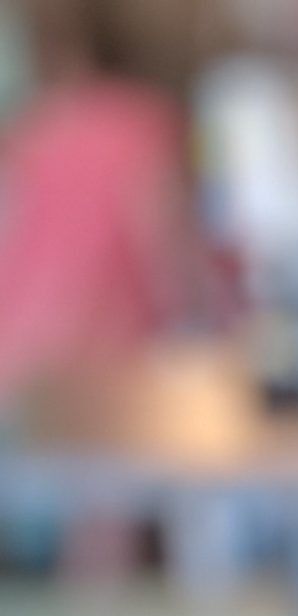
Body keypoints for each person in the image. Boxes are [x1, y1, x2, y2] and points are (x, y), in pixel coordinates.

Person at [0, 21, 194, 400]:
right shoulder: (146, 124)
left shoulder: (28, 131)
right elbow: (171, 252)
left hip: (21, 367)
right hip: (111, 369)